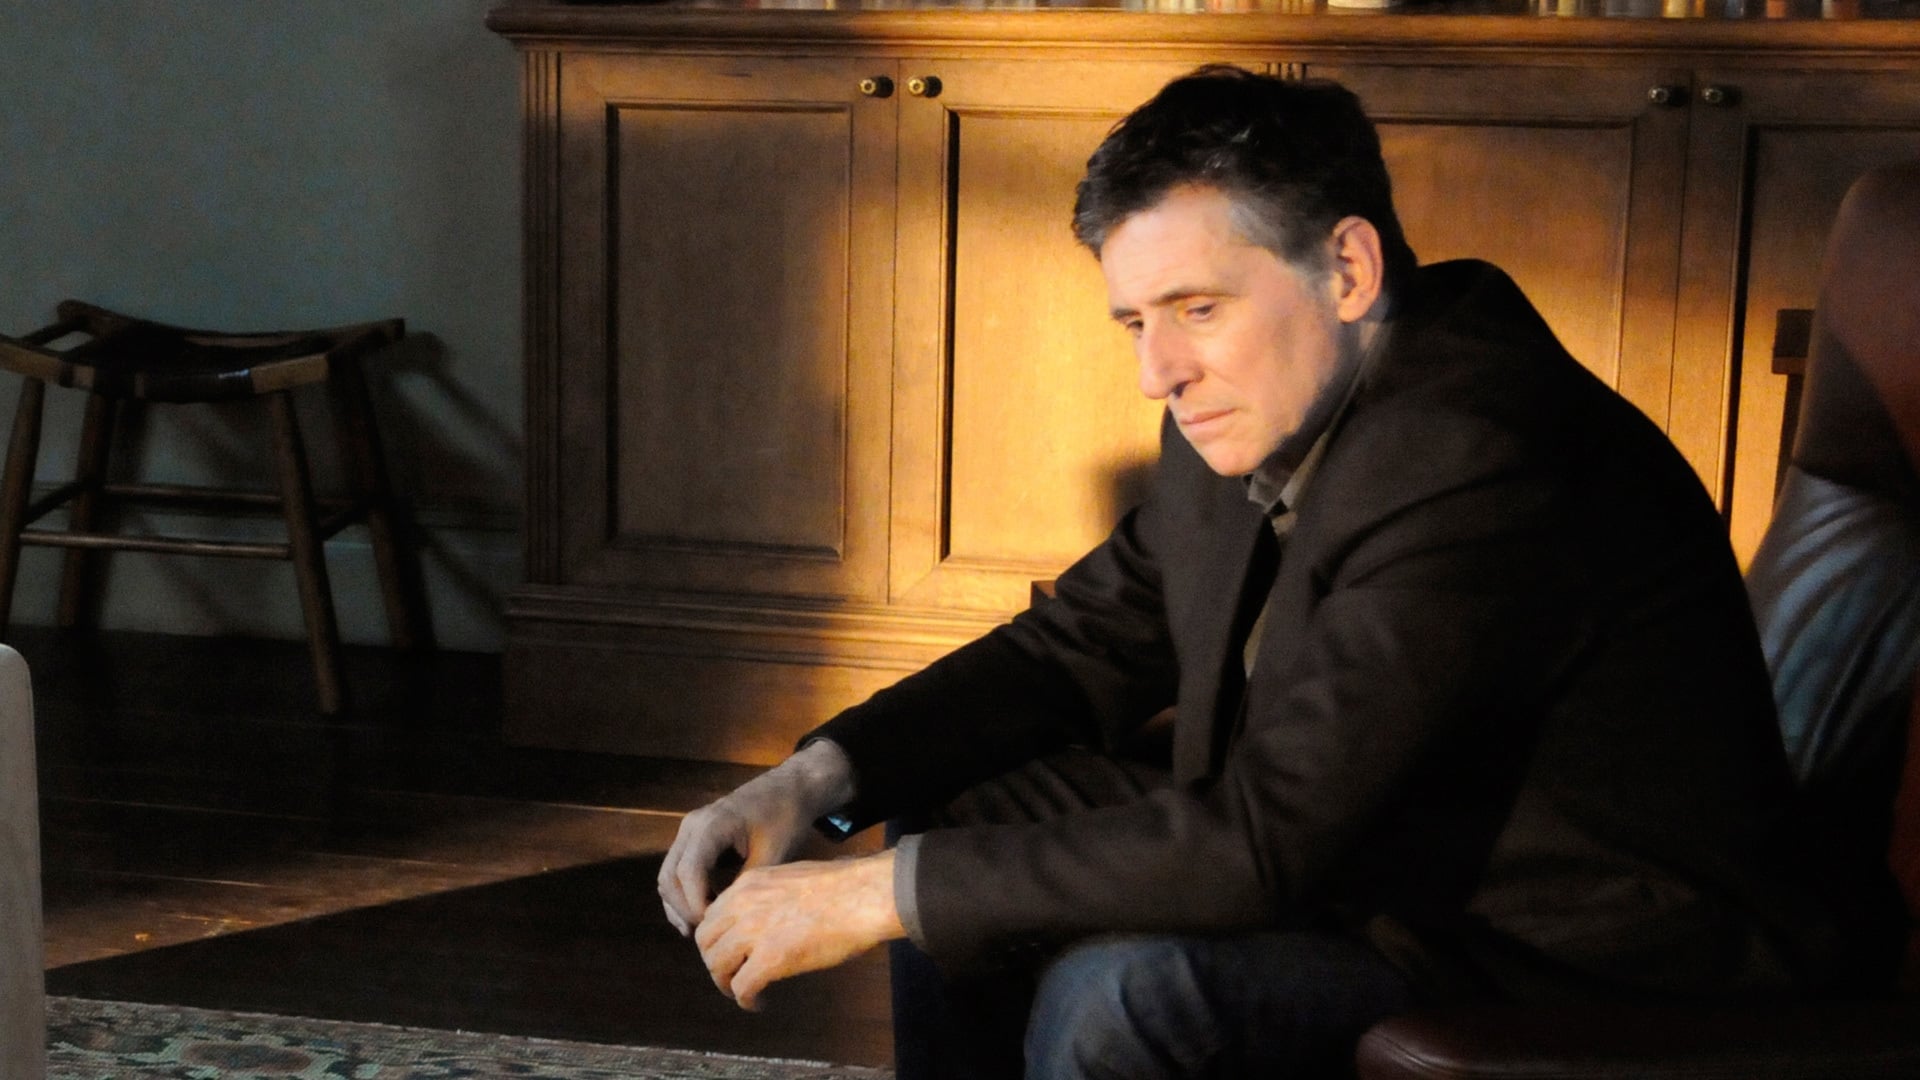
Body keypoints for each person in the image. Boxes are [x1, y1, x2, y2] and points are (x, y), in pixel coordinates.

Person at [658, 66, 1839, 1079]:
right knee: (963, 804)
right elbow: (1076, 646)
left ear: (1349, 269)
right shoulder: (1255, 397)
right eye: (1136, 322)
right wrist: (818, 779)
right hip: (1384, 867)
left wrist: (877, 894)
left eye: (1197, 308)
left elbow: (1262, 843)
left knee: (1126, 996)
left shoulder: (1481, 453)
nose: (1158, 371)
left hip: (1563, 954)